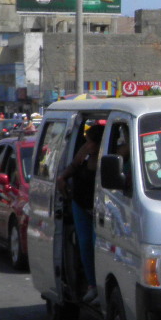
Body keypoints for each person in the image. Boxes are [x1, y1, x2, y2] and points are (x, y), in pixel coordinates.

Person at [58, 121, 104, 303]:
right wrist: (62, 178)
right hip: (80, 202)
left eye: (90, 141)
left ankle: (100, 287)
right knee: (84, 244)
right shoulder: (84, 154)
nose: (87, 145)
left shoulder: (111, 154)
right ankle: (92, 285)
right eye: (86, 141)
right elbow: (73, 167)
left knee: (97, 244)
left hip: (99, 208)